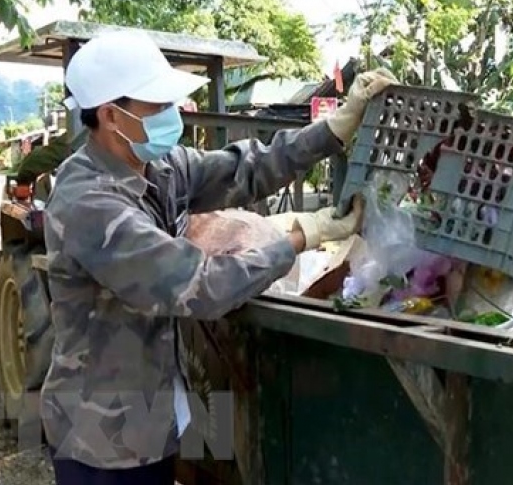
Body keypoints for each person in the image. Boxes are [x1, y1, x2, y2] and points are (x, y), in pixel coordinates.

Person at [41, 28, 396, 485]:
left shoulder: (157, 166)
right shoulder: (88, 202)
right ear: (111, 115)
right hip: (102, 438)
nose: (172, 116)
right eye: (158, 106)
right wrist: (299, 236)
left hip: (149, 418)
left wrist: (331, 130)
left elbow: (245, 169)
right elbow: (198, 285)